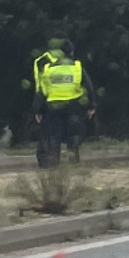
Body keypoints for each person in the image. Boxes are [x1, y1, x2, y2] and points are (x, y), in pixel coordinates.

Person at [33, 43, 97, 167]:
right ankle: (73, 163)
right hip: (73, 106)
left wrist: (38, 110)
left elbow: (41, 91)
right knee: (73, 135)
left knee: (54, 136)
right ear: (71, 53)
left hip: (53, 107)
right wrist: (91, 106)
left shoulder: (48, 68)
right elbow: (88, 87)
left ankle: (53, 164)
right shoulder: (77, 67)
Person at [32, 37, 72, 167]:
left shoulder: (42, 61)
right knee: (67, 133)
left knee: (49, 133)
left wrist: (38, 107)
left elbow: (41, 86)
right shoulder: (71, 63)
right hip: (69, 102)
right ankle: (69, 161)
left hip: (50, 101)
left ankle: (48, 161)